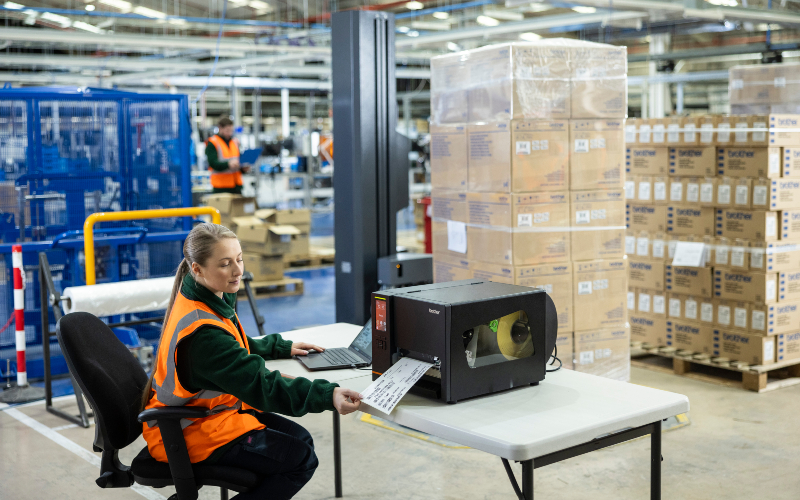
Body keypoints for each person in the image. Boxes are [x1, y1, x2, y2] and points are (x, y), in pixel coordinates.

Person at [141, 223, 363, 500]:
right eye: (225, 264)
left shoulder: (204, 294)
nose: (237, 271)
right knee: (301, 460)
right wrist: (327, 394)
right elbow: (263, 386)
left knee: (300, 441)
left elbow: (231, 345)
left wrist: (279, 347)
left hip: (210, 414)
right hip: (190, 430)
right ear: (197, 268)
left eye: (239, 258)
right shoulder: (204, 334)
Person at [206, 117, 247, 194]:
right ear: (220, 128)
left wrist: (243, 168)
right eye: (227, 131)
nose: (229, 133)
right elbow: (213, 163)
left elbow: (239, 160)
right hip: (221, 187)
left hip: (236, 185)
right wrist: (228, 164)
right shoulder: (212, 143)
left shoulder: (235, 142)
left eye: (231, 131)